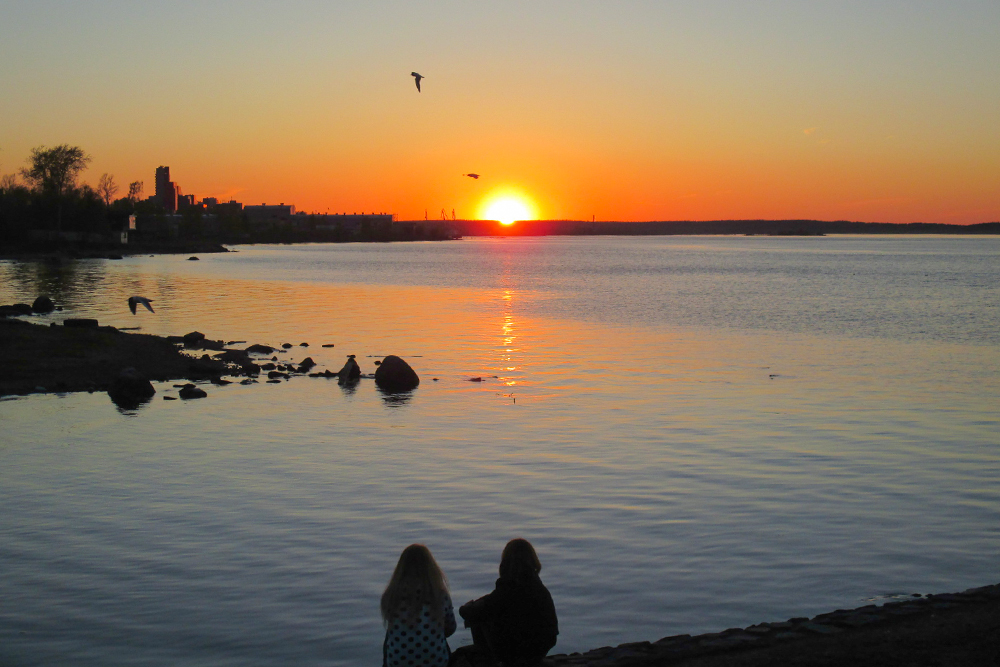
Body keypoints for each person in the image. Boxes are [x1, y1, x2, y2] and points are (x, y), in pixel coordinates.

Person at [458, 538, 558, 666]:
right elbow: (492, 601)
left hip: (515, 651)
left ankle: (487, 660)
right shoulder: (539, 587)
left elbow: (478, 609)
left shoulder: (508, 589)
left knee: (477, 617)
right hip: (541, 648)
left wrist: (467, 608)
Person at [381, 544, 457, 667]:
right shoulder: (440, 595)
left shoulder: (390, 595)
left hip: (398, 662)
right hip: (436, 662)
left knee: (389, 635)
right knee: (440, 634)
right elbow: (451, 628)